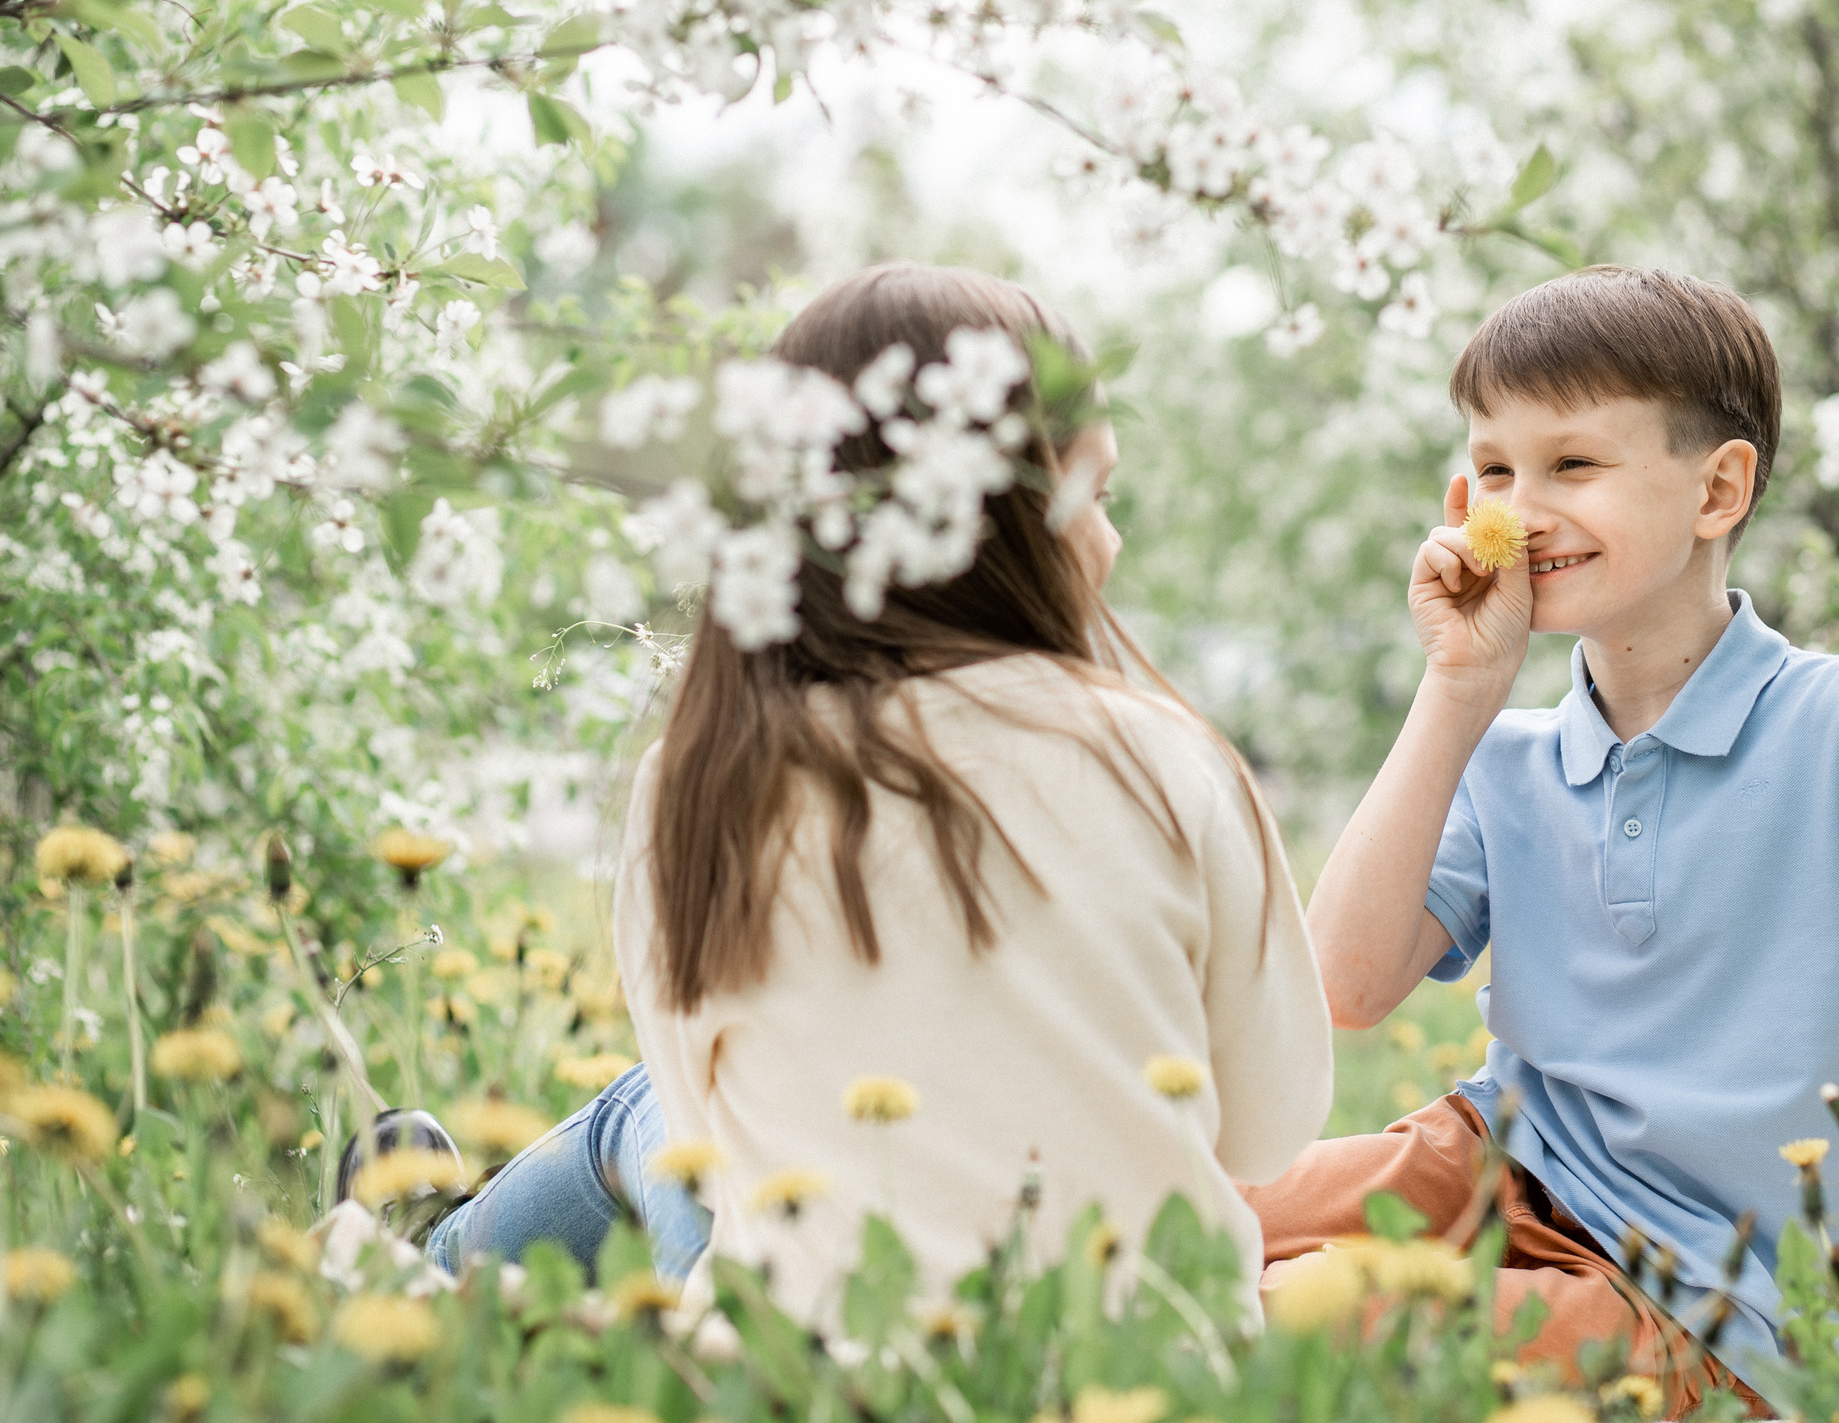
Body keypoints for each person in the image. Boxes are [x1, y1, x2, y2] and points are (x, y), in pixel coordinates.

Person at [408, 264, 1334, 1322]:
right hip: (1143, 1368)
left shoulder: (698, 783)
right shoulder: (1167, 759)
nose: (1110, 539)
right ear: (1004, 514)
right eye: (1098, 495)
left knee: (644, 1116)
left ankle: (422, 1267)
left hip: (810, 1372)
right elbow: (1272, 1130)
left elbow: (709, 1148)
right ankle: (427, 1261)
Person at [1252, 265, 1839, 1412]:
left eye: (1572, 464)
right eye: (1492, 470)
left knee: (1302, 1313)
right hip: (1488, 1162)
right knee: (1161, 1226)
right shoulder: (1504, 753)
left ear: (1718, 489)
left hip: (1704, 1299)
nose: (1519, 511)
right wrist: (1458, 687)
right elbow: (1342, 986)